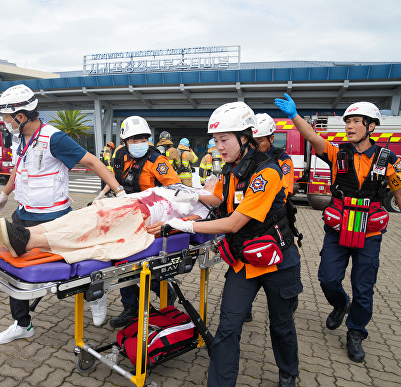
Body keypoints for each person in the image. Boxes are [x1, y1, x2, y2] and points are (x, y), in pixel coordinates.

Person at [167, 102, 302, 387]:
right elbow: (216, 199)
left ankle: (288, 373)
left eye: (224, 139)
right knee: (228, 328)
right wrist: (190, 198)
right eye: (215, 141)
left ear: (245, 137)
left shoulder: (267, 172)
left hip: (278, 261)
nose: (219, 147)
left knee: (282, 326)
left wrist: (187, 226)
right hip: (244, 262)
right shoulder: (230, 170)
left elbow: (233, 224)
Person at [0, 84, 124, 343]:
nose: (4, 122)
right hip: (24, 215)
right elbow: (18, 169)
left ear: (21, 116)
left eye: (7, 117)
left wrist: (119, 192)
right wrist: (5, 194)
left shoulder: (54, 138)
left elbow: (93, 162)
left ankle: (96, 295)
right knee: (16, 270)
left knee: (77, 268)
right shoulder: (20, 138)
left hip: (56, 218)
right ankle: (22, 324)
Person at [275, 94, 401, 363]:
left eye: (356, 121)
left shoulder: (388, 159)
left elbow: (400, 196)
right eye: (348, 122)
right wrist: (295, 116)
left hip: (370, 233)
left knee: (363, 287)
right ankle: (341, 304)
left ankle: (356, 332)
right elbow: (312, 137)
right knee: (328, 279)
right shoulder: (337, 152)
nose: (350, 126)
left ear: (371, 126)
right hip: (338, 228)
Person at [0, 184, 212, 263]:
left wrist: (172, 225)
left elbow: (191, 223)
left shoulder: (206, 206)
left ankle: (27, 242)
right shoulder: (190, 189)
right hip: (126, 203)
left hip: (137, 217)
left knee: (86, 229)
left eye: (215, 181)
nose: (211, 180)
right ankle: (21, 232)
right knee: (75, 218)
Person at [98, 116, 182, 328]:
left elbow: (176, 189)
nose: (138, 143)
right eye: (133, 139)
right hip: (126, 217)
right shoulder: (121, 156)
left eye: (142, 138)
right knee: (123, 263)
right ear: (125, 141)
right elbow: (114, 179)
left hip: (150, 220)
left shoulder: (157, 161)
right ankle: (132, 307)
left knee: (142, 264)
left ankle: (164, 292)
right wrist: (99, 198)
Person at [243, 113, 299, 323]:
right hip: (248, 217)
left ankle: (288, 299)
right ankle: (245, 307)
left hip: (275, 219)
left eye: (260, 142)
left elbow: (285, 190)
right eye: (253, 142)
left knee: (282, 261)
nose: (256, 146)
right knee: (246, 259)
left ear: (271, 139)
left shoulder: (282, 160)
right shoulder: (247, 160)